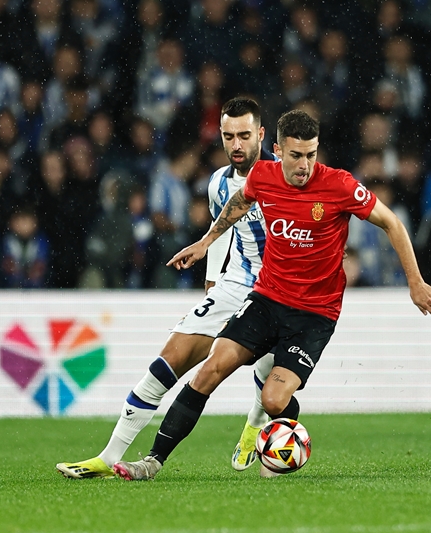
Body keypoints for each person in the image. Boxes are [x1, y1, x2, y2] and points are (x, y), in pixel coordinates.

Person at [111, 109, 431, 481]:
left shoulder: (339, 185)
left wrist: (415, 283)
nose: (304, 165)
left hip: (314, 315)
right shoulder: (263, 175)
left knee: (273, 399)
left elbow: (392, 222)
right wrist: (206, 241)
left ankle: (283, 447)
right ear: (277, 149)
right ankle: (152, 462)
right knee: (210, 369)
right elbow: (239, 203)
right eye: (295, 155)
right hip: (268, 299)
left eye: (311, 154)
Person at [56, 97, 279, 478]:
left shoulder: (285, 177)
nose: (236, 145)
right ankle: (108, 457)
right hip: (237, 280)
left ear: (260, 134)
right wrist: (212, 283)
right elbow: (221, 231)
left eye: (244, 135)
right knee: (169, 359)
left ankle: (255, 424)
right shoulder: (218, 184)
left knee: (268, 368)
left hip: (278, 287)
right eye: (228, 137)